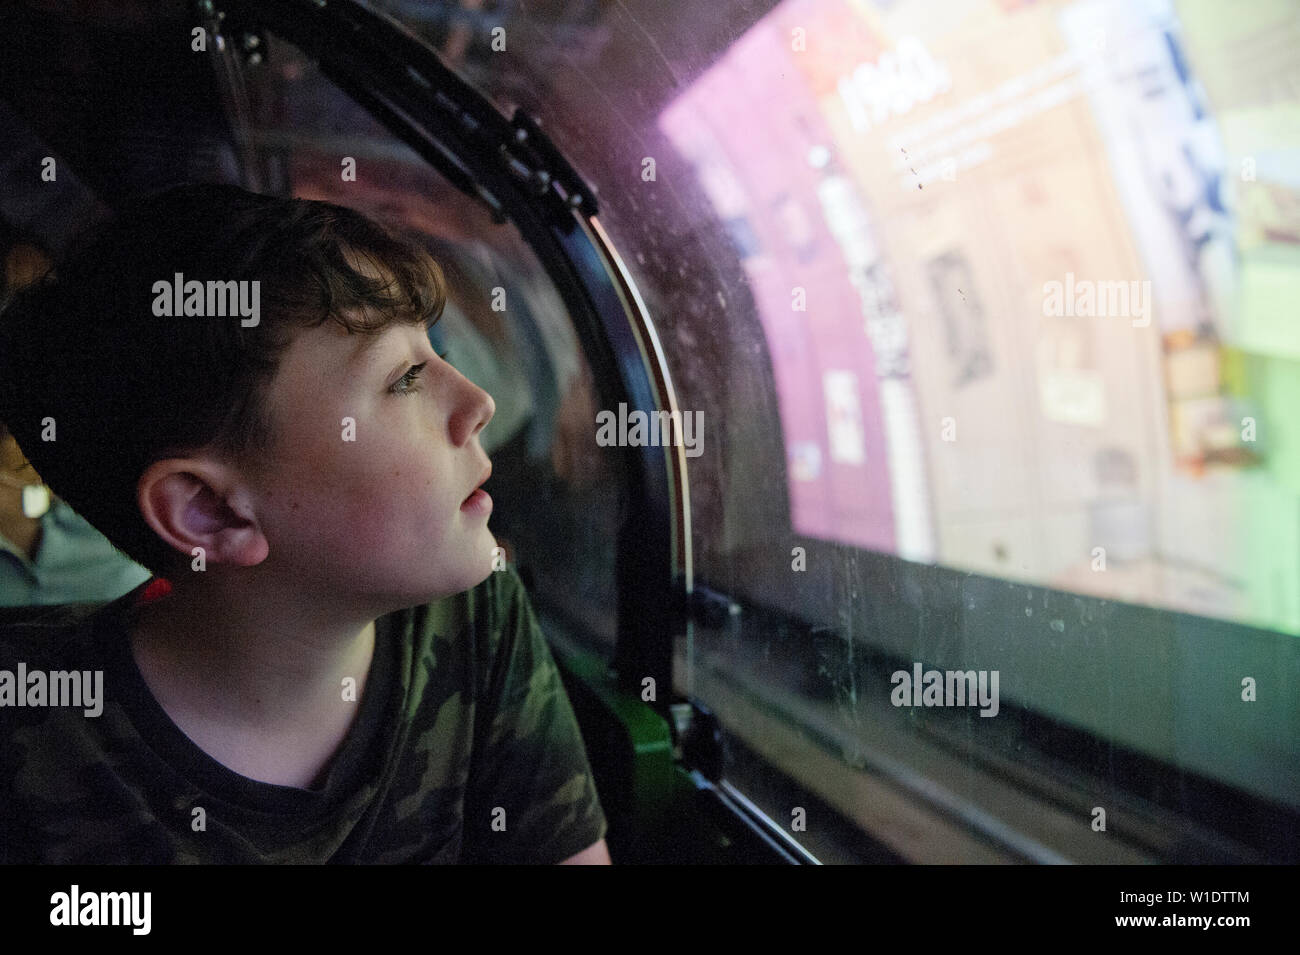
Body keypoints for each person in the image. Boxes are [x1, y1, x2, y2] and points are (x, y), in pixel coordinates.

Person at [0, 183, 610, 863]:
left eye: (432, 351)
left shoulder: (476, 618)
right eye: (405, 378)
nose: (479, 401)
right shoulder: (29, 740)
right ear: (210, 511)